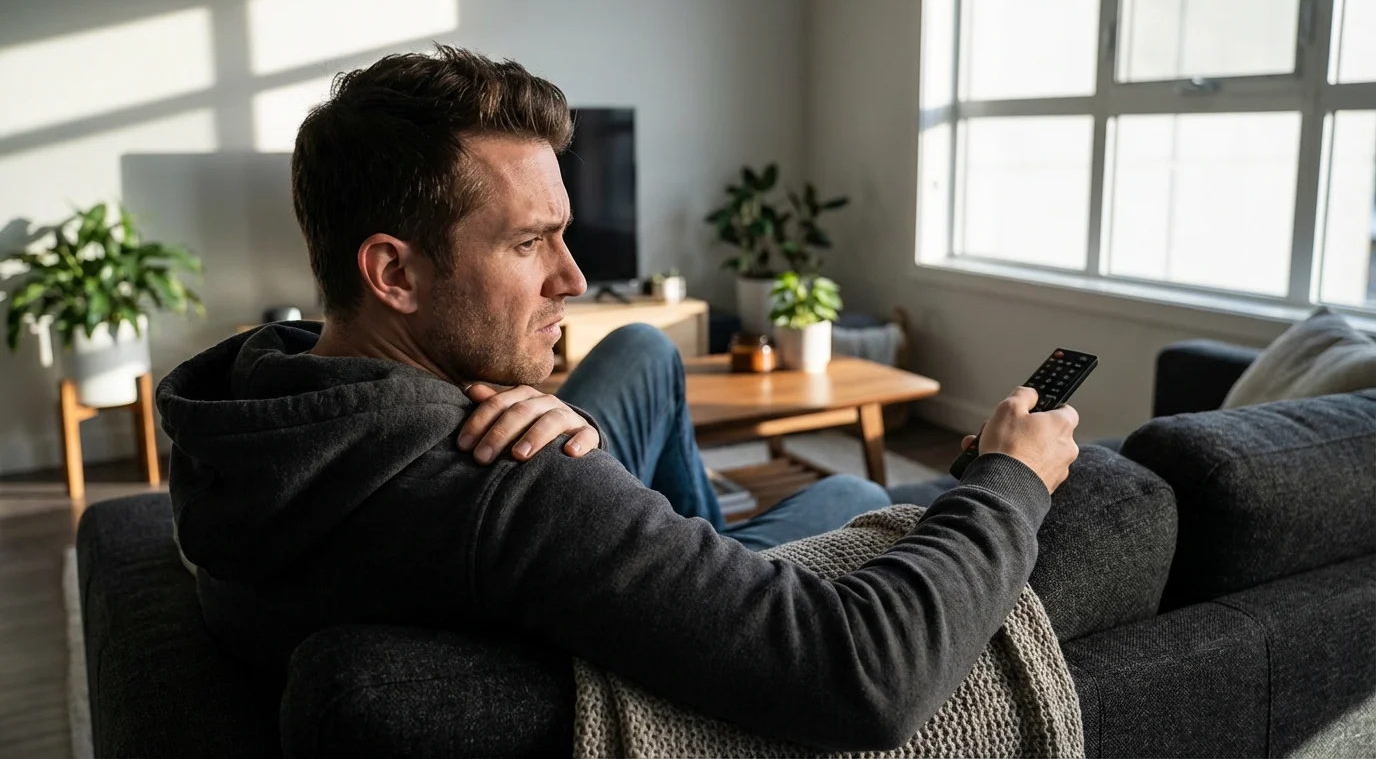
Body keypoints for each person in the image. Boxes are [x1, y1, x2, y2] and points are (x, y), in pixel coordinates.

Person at [157, 46, 1080, 751]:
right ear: (393, 270)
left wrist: (588, 444)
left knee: (640, 345)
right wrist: (1007, 478)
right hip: (582, 556)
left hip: (523, 528)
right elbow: (866, 676)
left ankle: (682, 535)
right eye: (529, 244)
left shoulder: (247, 405)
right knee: (849, 498)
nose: (575, 275)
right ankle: (708, 552)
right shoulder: (512, 486)